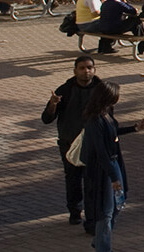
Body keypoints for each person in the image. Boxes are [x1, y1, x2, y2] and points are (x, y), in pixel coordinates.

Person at [41, 56, 112, 229]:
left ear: (94, 69)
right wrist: (53, 104)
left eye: (89, 67)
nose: (86, 71)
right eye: (82, 68)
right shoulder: (65, 90)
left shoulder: (102, 90)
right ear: (75, 70)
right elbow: (47, 118)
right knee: (72, 179)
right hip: (69, 143)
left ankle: (91, 217)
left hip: (93, 144)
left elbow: (110, 119)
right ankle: (74, 211)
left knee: (91, 182)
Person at [80, 81, 144, 251]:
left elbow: (113, 132)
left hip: (114, 163)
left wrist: (134, 129)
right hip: (104, 168)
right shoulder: (94, 120)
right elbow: (101, 151)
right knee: (106, 210)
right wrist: (114, 177)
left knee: (117, 204)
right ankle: (103, 246)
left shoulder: (107, 113)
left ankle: (100, 239)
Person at [78, 0, 144, 54]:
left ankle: (105, 47)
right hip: (112, 29)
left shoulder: (106, 2)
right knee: (136, 21)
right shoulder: (118, 3)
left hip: (103, 28)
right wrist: (125, 2)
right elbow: (133, 11)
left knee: (115, 22)